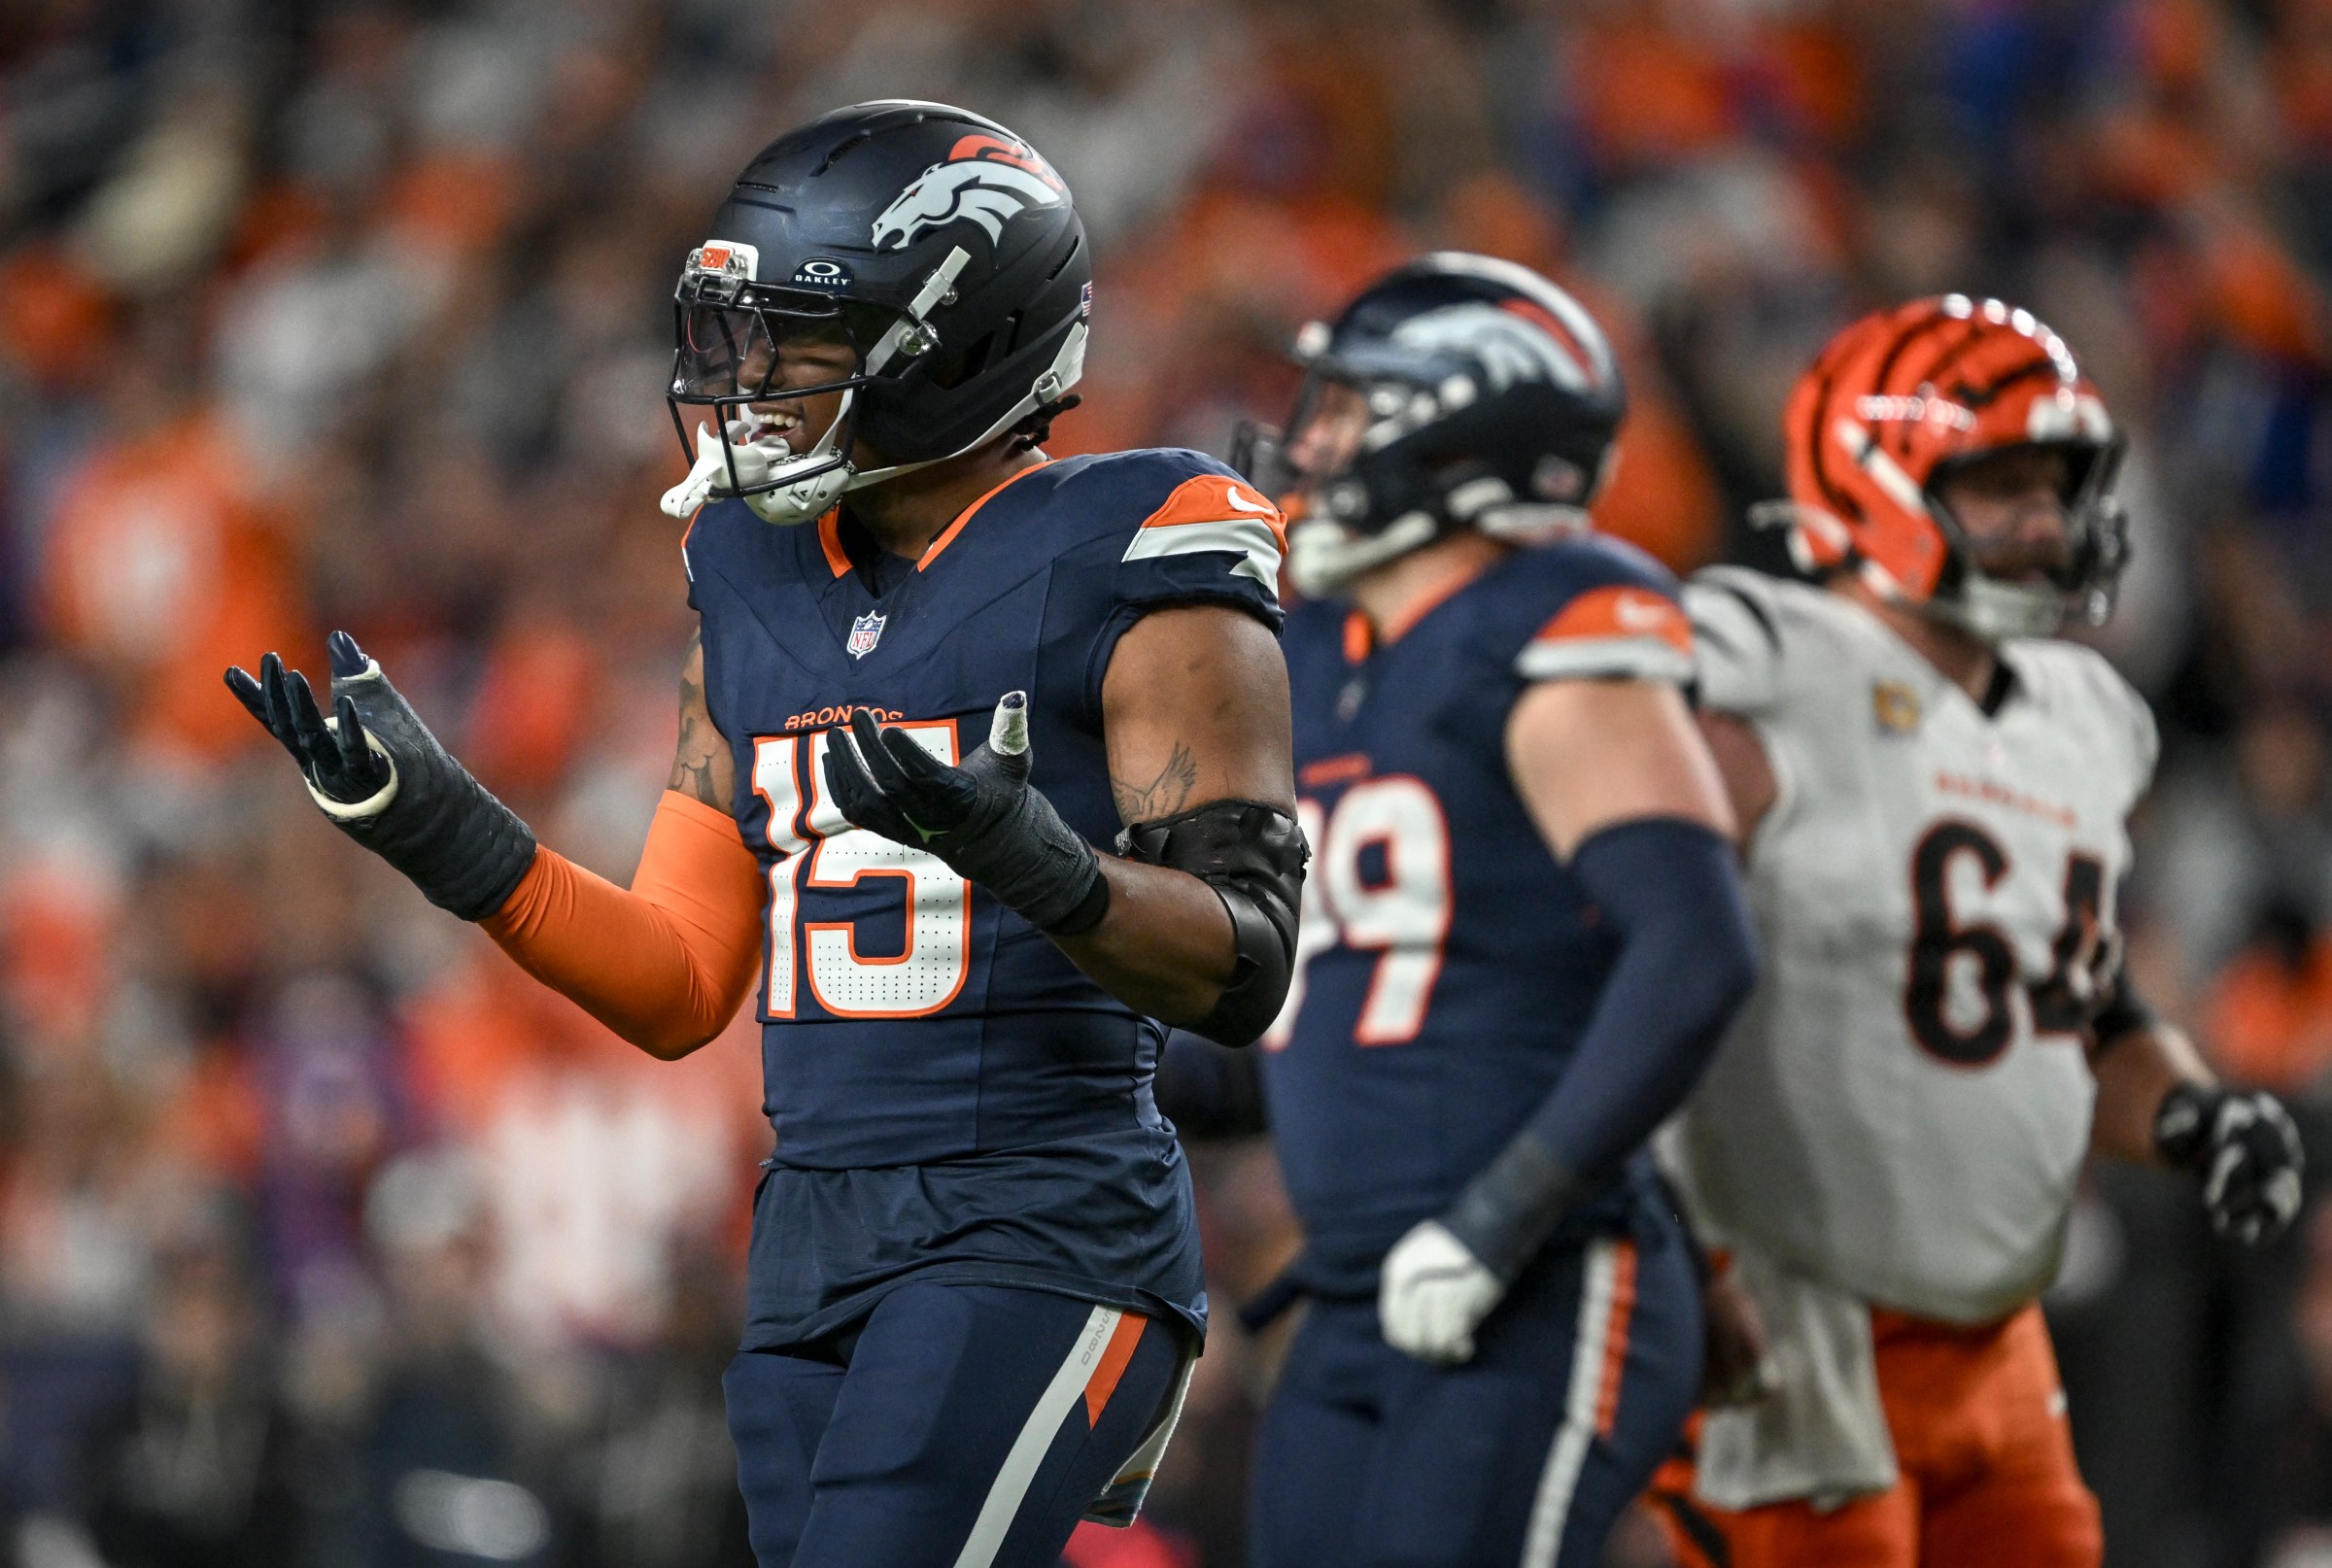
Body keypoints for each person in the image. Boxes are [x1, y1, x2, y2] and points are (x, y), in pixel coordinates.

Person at [226, 101, 1308, 1568]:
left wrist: (1037, 859)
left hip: (1042, 1224)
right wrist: (446, 835)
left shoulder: (1137, 545)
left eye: (796, 339)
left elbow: (1244, 970)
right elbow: (681, 978)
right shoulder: (749, 570)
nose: (747, 382)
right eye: (738, 337)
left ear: (953, 337)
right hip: (809, 1238)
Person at [1647, 295, 2308, 1568]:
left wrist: (2191, 1116)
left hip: (1994, 1328)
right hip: (1800, 1313)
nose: (2048, 523)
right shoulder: (1762, 671)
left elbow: (2074, 1000)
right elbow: (1638, 960)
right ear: (1874, 480)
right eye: (2002, 483)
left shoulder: (2079, 716)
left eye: (2057, 486)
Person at [1179, 252, 1759, 1568]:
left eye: (1348, 408)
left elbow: (1694, 947)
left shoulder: (1549, 619)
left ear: (1459, 428)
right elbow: (1308, 1036)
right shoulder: (1316, 656)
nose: (1308, 439)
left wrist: (1503, 1215)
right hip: (1353, 1286)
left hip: (1547, 1268)